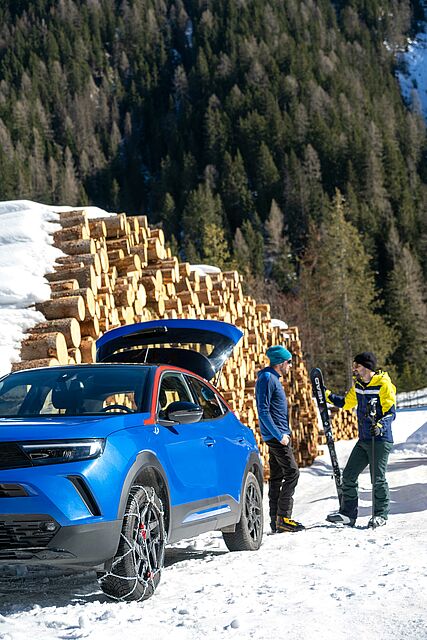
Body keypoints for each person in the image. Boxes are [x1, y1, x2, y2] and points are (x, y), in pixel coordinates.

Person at [326, 351, 396, 528]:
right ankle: (348, 514)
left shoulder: (384, 385)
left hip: (380, 440)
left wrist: (379, 426)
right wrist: (325, 395)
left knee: (377, 478)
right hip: (364, 439)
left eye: (356, 365)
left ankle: (381, 515)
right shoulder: (358, 385)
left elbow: (390, 413)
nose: (354, 369)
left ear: (366, 367)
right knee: (349, 476)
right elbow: (346, 403)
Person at [255, 345, 305, 533]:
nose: (290, 366)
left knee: (277, 477)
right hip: (277, 437)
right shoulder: (267, 378)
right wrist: (279, 435)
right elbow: (263, 411)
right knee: (292, 473)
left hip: (279, 435)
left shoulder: (272, 378)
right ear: (281, 363)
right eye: (289, 362)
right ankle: (284, 518)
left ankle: (276, 521)